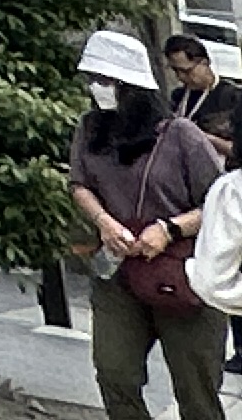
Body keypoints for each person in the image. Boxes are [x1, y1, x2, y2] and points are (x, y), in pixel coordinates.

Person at [73, 26, 228, 420]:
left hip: (183, 273)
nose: (98, 88)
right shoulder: (90, 129)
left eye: (106, 81)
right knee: (114, 373)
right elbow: (79, 183)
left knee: (197, 392)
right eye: (93, 80)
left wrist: (170, 229)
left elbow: (221, 203)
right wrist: (104, 221)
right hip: (119, 271)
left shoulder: (181, 136)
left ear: (130, 85)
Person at [172, 36, 242, 167]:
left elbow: (236, 150)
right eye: (175, 71)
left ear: (204, 63)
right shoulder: (178, 97)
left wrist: (200, 137)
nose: (180, 77)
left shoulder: (233, 98)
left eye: (186, 71)